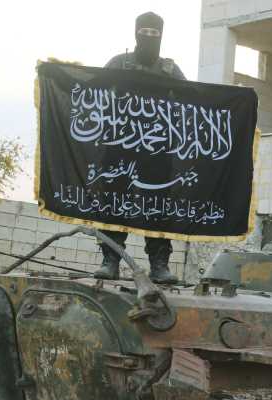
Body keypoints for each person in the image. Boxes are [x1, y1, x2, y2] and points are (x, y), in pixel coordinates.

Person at [95, 11, 185, 283]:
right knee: (114, 203)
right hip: (121, 146)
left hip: (157, 149)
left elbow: (193, 100)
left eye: (155, 34)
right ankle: (110, 260)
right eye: (145, 33)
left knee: (157, 205)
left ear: (161, 36)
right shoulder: (118, 64)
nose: (149, 38)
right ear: (136, 34)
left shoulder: (170, 70)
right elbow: (92, 90)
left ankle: (159, 265)